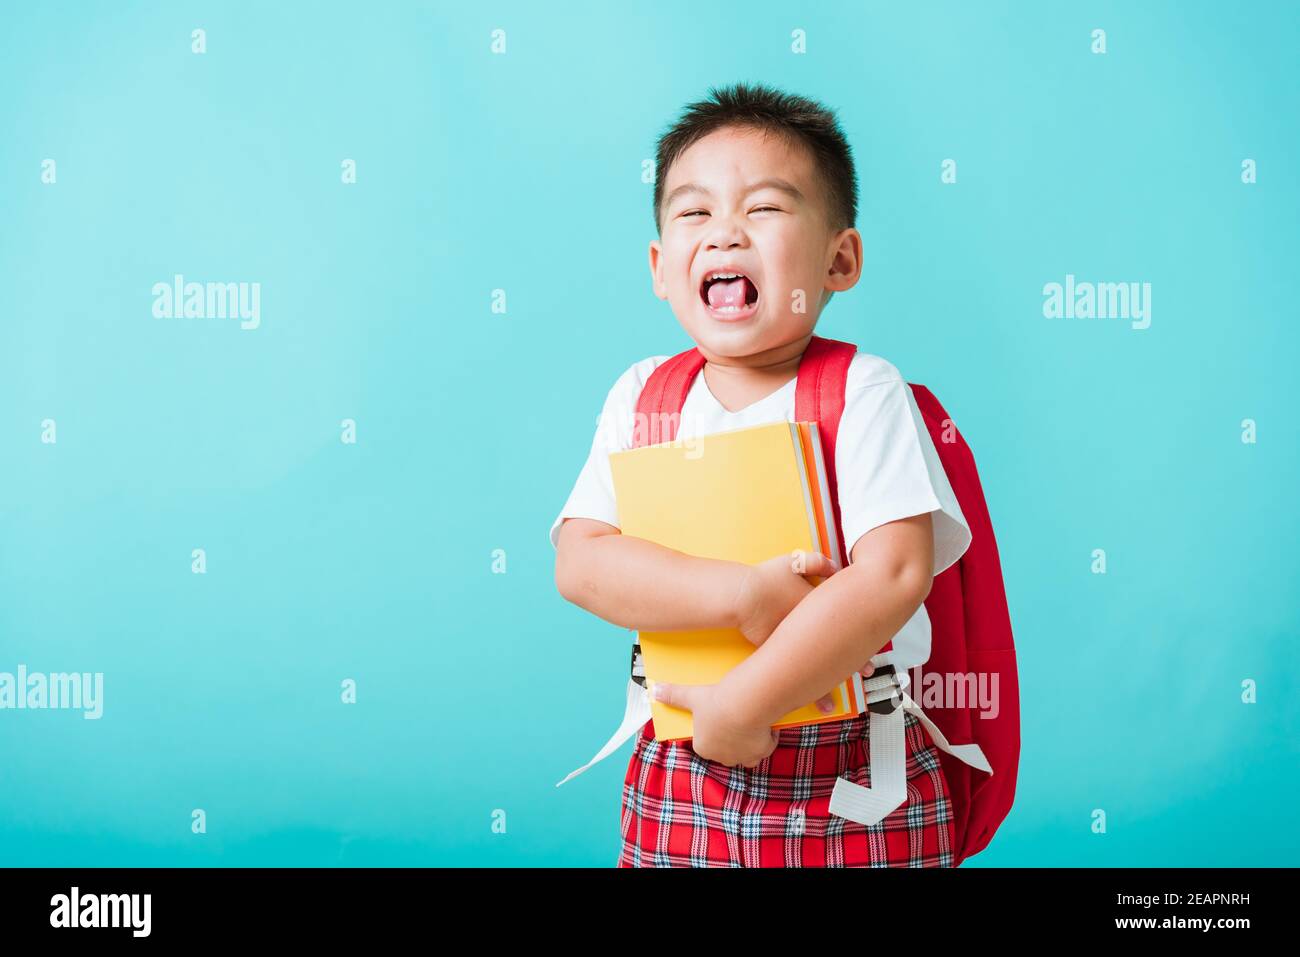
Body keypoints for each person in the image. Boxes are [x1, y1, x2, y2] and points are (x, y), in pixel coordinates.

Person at [551, 82, 973, 867]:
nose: (724, 236)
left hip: (853, 767)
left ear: (839, 258)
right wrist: (740, 595)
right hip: (683, 758)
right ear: (660, 267)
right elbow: (581, 561)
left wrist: (747, 700)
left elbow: (894, 571)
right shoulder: (643, 395)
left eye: (765, 209)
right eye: (694, 213)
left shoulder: (863, 390)